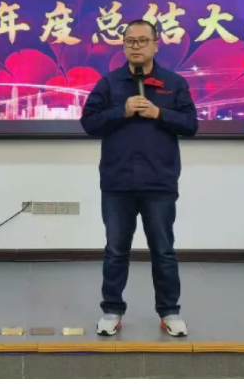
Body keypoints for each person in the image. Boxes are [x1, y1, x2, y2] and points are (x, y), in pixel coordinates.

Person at [80, 19, 198, 337]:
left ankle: (169, 312)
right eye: (130, 41)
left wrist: (160, 113)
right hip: (117, 183)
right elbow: (89, 123)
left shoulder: (174, 83)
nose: (136, 46)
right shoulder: (109, 83)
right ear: (123, 46)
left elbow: (191, 124)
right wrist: (123, 110)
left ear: (156, 45)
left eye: (142, 41)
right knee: (115, 251)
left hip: (159, 182)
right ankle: (112, 310)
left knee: (164, 251)